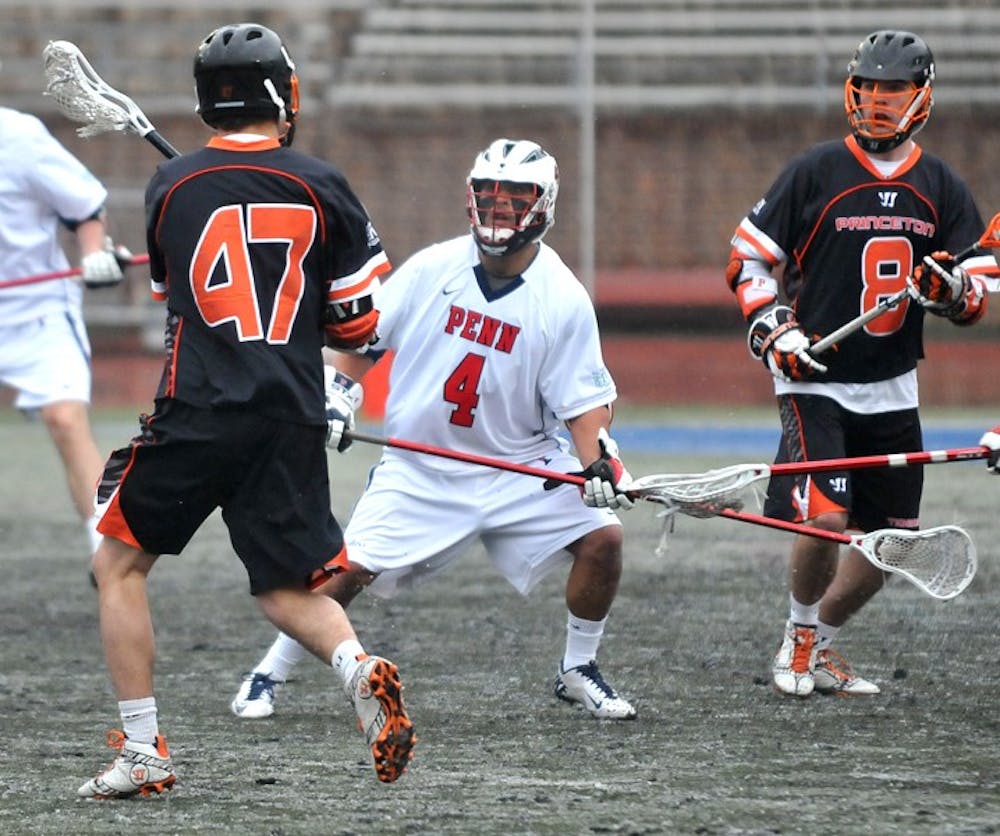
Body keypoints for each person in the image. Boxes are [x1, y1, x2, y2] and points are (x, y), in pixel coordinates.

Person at [77, 22, 414, 799]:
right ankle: (357, 667)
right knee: (286, 587)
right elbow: (361, 323)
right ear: (280, 95)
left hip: (198, 408)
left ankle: (143, 749)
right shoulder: (324, 184)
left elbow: (175, 296)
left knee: (117, 566)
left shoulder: (173, 185)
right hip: (289, 412)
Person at [230, 137, 639, 724]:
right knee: (343, 570)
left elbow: (584, 406)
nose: (499, 208)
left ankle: (578, 668)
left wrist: (598, 462)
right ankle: (271, 669)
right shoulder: (432, 268)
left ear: (544, 205)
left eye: (515, 196)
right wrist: (340, 397)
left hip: (517, 465)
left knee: (604, 539)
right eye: (489, 195)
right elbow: (358, 345)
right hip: (421, 467)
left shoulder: (563, 297)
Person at [725, 30, 995, 698]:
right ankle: (799, 638)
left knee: (890, 546)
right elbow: (748, 258)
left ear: (921, 97)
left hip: (892, 384)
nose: (878, 102)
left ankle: (820, 645)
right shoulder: (815, 171)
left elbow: (976, 287)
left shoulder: (939, 186)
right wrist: (771, 327)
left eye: (893, 90)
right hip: (813, 378)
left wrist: (952, 292)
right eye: (869, 89)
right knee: (826, 519)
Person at [0, 106, 124, 578]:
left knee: (65, 418)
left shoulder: (20, 136)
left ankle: (104, 550)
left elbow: (85, 207)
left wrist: (93, 254)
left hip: (35, 308)